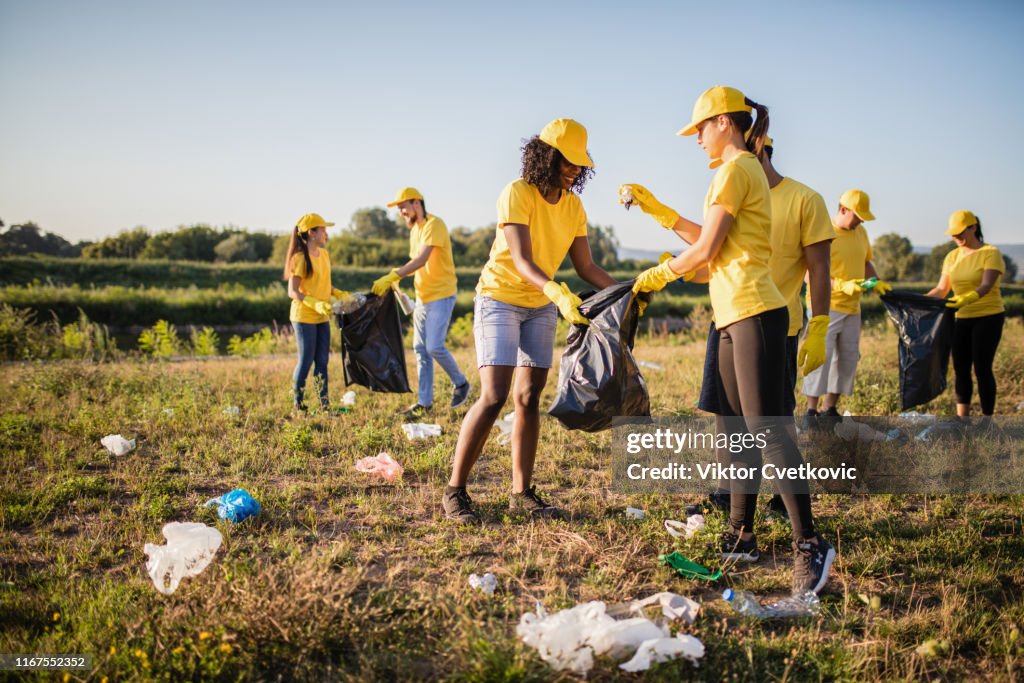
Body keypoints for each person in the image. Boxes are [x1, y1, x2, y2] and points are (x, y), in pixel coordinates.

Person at [631, 86, 835, 593]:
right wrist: (665, 225)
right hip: (729, 317)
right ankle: (741, 534)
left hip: (756, 313)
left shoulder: (737, 168)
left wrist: (657, 276)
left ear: (724, 122)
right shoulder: (737, 173)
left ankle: (810, 545)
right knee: (735, 431)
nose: (696, 139)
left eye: (699, 129)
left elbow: (705, 251)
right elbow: (712, 262)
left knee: (769, 431)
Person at [442, 118, 617, 523]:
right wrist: (555, 290)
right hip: (500, 298)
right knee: (494, 395)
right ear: (547, 156)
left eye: (580, 164)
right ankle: (454, 491)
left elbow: (587, 266)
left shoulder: (574, 205)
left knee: (528, 397)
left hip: (540, 304)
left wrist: (625, 292)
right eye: (568, 162)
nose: (576, 169)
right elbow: (521, 259)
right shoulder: (517, 192)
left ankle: (521, 493)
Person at [372, 188, 470, 418]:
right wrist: (395, 279)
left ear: (417, 203)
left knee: (433, 346)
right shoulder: (415, 230)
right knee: (420, 350)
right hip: (423, 297)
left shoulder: (435, 225)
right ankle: (424, 402)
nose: (401, 213)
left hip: (441, 295)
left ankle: (461, 383)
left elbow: (422, 259)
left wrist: (395, 274)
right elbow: (415, 261)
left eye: (403, 207)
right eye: (399, 210)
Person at [801, 190, 891, 419]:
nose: (861, 221)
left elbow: (866, 262)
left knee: (847, 359)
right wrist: (842, 285)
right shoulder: (823, 231)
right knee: (822, 358)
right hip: (825, 306)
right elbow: (807, 272)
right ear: (843, 210)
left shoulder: (861, 233)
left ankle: (829, 408)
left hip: (853, 308)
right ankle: (811, 411)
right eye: (857, 215)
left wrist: (877, 282)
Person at [926, 210, 1006, 417]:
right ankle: (963, 420)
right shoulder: (952, 257)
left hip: (988, 316)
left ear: (973, 228)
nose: (956, 238)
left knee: (982, 368)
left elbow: (987, 285)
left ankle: (987, 420)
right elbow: (942, 289)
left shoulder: (990, 253)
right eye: (953, 234)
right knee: (960, 368)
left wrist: (967, 298)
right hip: (960, 318)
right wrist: (921, 300)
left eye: (961, 233)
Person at [284, 213, 349, 413]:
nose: (326, 233)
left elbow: (323, 284)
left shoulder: (325, 255)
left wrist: (337, 293)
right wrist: (314, 303)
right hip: (304, 316)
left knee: (322, 360)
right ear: (311, 233)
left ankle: (324, 405)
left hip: (322, 315)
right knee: (306, 360)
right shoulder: (300, 258)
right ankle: (299, 403)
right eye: (323, 230)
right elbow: (293, 291)